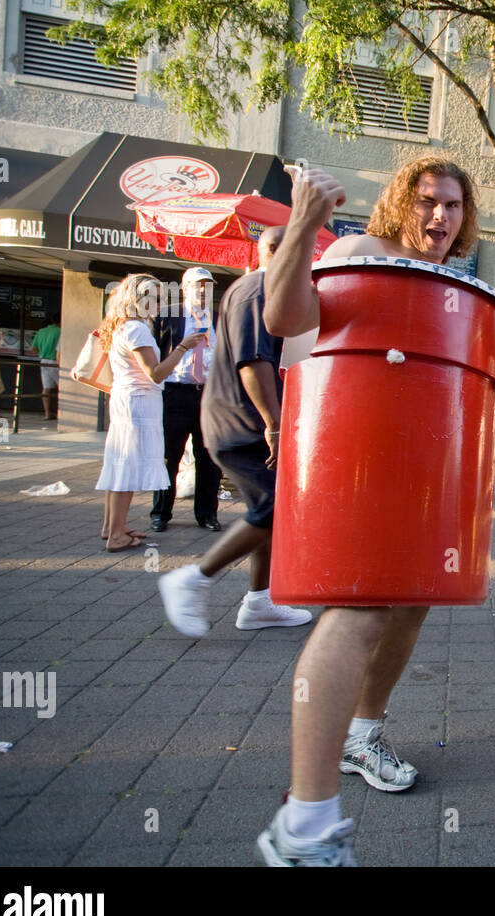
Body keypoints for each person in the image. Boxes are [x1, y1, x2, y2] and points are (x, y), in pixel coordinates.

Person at [257, 156, 495, 865]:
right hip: (358, 456)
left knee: (410, 606)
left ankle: (360, 735)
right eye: (428, 200)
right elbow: (287, 323)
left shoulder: (465, 285)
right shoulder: (356, 254)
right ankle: (304, 825)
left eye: (454, 206)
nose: (440, 216)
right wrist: (307, 222)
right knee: (358, 609)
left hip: (430, 469)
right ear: (400, 201)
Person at [157, 227, 313, 637]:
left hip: (247, 421)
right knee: (278, 507)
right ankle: (194, 578)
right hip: (242, 422)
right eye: (305, 252)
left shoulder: (267, 291)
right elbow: (252, 362)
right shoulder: (257, 289)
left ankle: (260, 602)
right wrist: (275, 425)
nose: (310, 262)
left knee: (268, 511)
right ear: (280, 251)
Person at [95, 275, 206, 552]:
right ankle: (117, 535)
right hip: (139, 403)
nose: (159, 304)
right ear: (137, 299)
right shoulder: (137, 329)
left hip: (126, 399)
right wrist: (183, 347)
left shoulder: (120, 325)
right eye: (154, 298)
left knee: (119, 463)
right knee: (128, 467)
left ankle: (111, 526)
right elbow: (156, 374)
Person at [150, 266, 223, 532]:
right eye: (198, 286)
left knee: (209, 457)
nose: (203, 291)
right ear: (185, 288)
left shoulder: (219, 318)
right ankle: (160, 513)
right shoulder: (167, 316)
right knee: (169, 456)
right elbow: (154, 356)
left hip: (208, 394)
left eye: (208, 286)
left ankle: (207, 514)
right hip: (175, 393)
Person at [32, 313, 61, 420]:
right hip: (55, 361)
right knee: (62, 388)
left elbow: (34, 347)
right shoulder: (60, 331)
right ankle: (61, 413)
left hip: (43, 361)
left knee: (46, 389)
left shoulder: (41, 331)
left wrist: (41, 353)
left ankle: (47, 413)